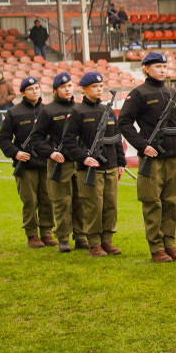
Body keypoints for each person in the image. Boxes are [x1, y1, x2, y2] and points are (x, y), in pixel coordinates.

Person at [119, 52, 176, 263]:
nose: (162, 70)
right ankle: (157, 247)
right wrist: (143, 146)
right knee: (152, 202)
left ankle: (170, 244)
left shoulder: (173, 93)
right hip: (153, 158)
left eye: (164, 66)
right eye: (158, 66)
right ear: (146, 69)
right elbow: (124, 122)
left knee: (171, 201)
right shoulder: (139, 93)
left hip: (173, 156)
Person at [62, 72, 125, 258]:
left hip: (110, 166)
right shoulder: (77, 112)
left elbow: (116, 138)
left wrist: (121, 162)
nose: (99, 89)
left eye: (101, 86)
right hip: (90, 168)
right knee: (93, 206)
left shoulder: (108, 110)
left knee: (110, 206)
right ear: (84, 89)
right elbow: (68, 141)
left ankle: (107, 240)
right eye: (94, 86)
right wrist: (83, 158)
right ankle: (94, 243)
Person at [31, 72, 88, 251]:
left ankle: (80, 236)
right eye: (63, 87)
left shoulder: (80, 108)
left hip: (79, 162)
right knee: (62, 202)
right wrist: (50, 153)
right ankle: (63, 238)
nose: (67, 89)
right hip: (59, 162)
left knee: (81, 200)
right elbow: (36, 138)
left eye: (70, 86)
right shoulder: (48, 110)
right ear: (55, 90)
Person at [0, 77, 54, 248]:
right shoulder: (14, 112)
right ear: (22, 92)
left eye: (37, 88)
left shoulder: (48, 110)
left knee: (48, 199)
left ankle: (47, 233)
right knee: (30, 201)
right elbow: (3, 138)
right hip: (26, 164)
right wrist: (15, 153)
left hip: (45, 163)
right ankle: (32, 235)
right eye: (30, 89)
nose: (34, 91)